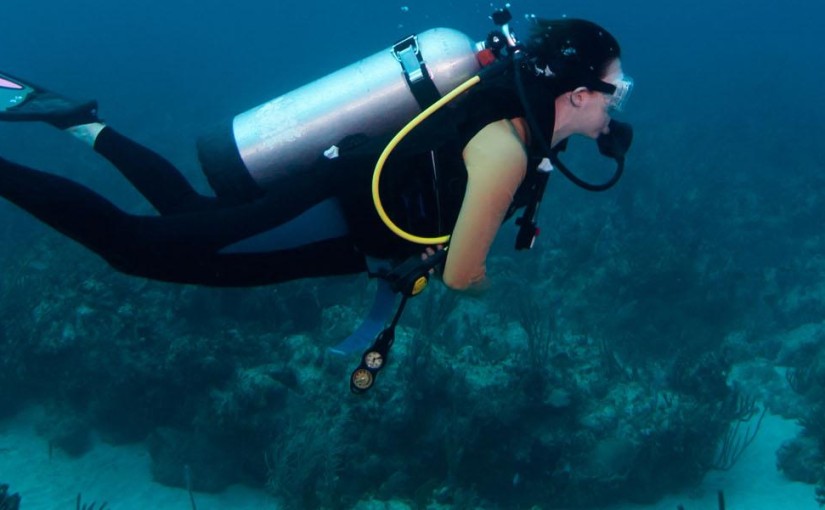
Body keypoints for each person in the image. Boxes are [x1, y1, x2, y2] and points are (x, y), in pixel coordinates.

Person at [0, 17, 631, 295]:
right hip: (328, 217)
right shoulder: (507, 153)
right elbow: (463, 278)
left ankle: (78, 122)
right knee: (131, 247)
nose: (618, 103)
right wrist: (487, 288)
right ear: (576, 94)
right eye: (616, 88)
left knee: (184, 210)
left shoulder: (516, 127)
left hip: (331, 196)